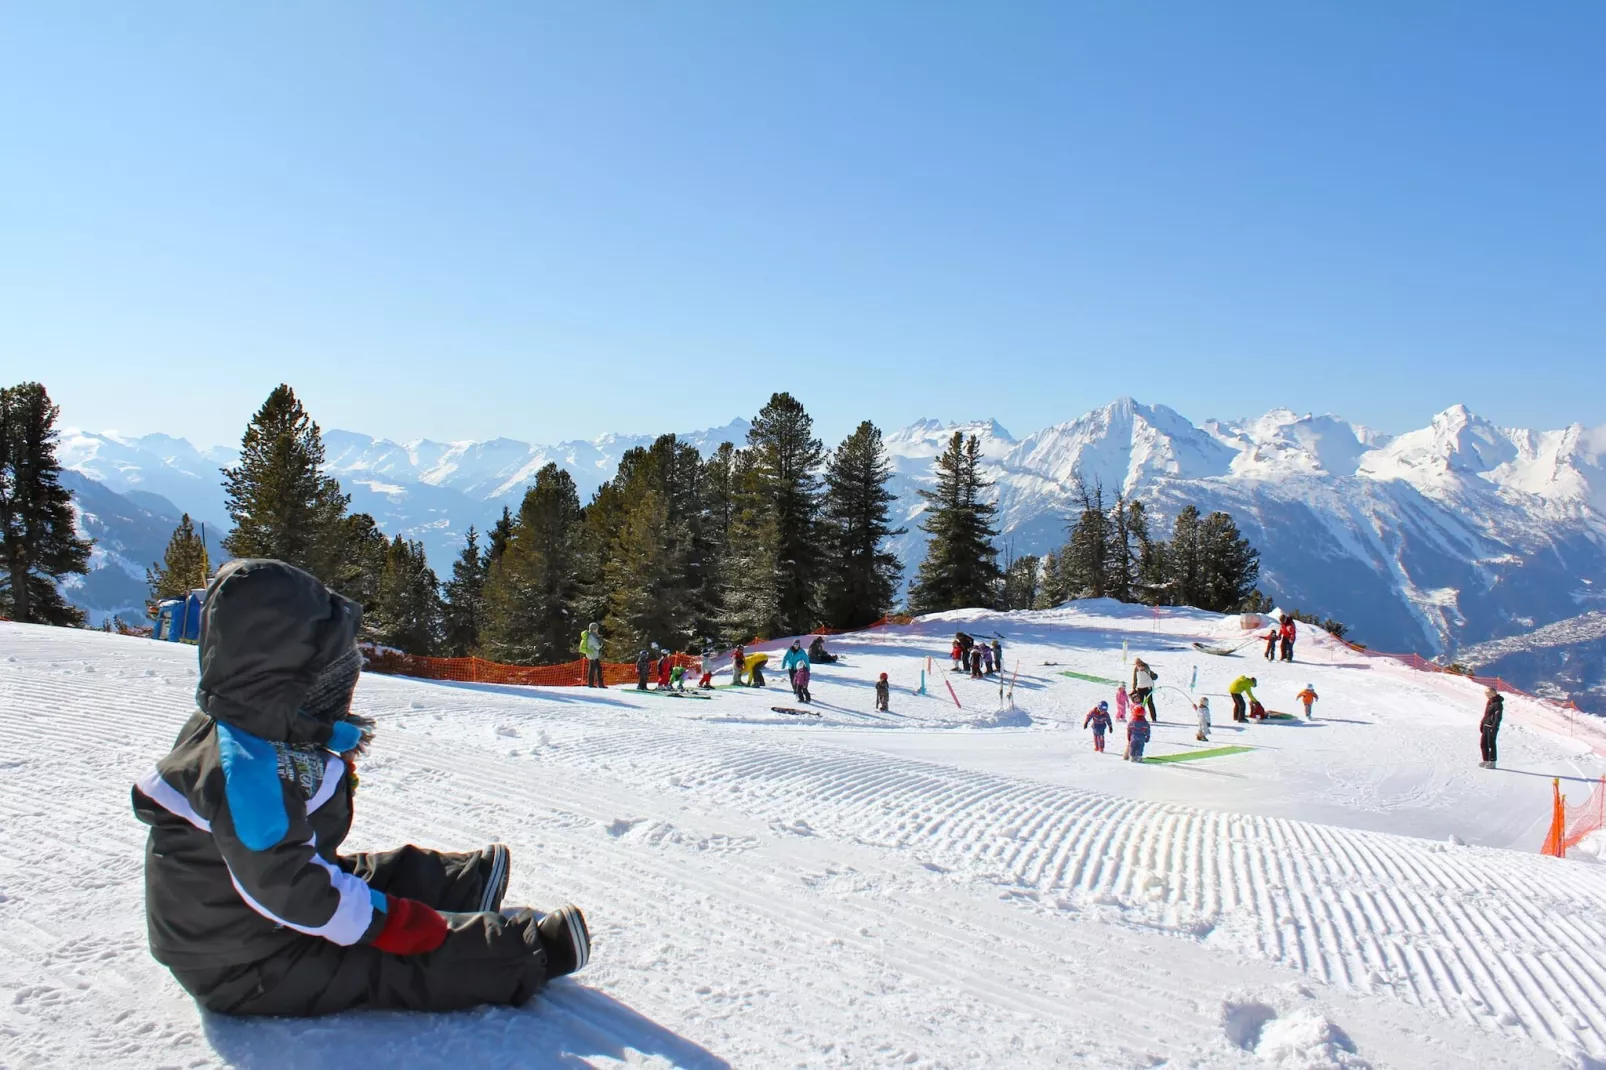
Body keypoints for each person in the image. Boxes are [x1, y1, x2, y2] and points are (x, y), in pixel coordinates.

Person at [130, 559, 589, 1017]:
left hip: (242, 914)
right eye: (333, 681)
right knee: (388, 960)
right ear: (290, 683)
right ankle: (522, 953)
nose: (345, 692)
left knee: (357, 876)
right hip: (245, 963)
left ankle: (460, 884)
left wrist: (324, 732)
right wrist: (398, 924)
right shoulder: (244, 773)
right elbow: (293, 890)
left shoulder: (249, 725)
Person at [1480, 687, 1504, 768]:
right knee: (1483, 743)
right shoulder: (1489, 702)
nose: (1486, 696)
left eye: (1487, 694)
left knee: (1491, 744)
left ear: (1491, 694)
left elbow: (1498, 717)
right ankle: (1486, 760)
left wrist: (1494, 727)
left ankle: (1492, 762)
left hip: (1491, 726)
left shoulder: (1498, 704)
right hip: (1486, 725)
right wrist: (1482, 723)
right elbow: (1486, 715)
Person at [1131, 659, 1159, 723]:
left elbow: (1151, 674)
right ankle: (1139, 716)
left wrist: (1146, 670)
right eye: (1137, 664)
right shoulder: (1136, 669)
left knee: (1150, 702)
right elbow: (1135, 679)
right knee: (1140, 704)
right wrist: (1134, 688)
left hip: (1148, 687)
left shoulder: (1146, 667)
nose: (1139, 666)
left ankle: (1154, 718)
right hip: (1140, 688)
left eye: (1139, 664)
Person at [580, 623, 605, 688]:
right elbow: (598, 646)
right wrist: (600, 641)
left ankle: (590, 684)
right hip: (593, 655)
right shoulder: (591, 637)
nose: (597, 629)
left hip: (590, 654)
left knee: (592, 668)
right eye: (596, 628)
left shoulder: (589, 635)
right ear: (594, 629)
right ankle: (600, 684)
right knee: (599, 668)